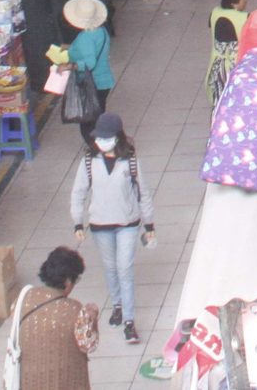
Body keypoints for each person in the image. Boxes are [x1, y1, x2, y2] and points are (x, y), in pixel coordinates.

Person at [69, 113, 155, 346]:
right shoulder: (88, 161)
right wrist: (78, 222)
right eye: (100, 137)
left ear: (117, 138)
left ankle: (129, 321)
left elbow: (143, 193)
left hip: (128, 223)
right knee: (110, 268)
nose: (102, 141)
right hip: (99, 224)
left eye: (107, 137)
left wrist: (149, 224)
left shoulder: (131, 161)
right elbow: (79, 192)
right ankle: (117, 305)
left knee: (124, 269)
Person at [11, 246, 98, 390]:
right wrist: (91, 319)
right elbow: (88, 344)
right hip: (65, 381)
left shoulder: (24, 298)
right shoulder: (75, 309)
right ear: (68, 281)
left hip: (28, 380)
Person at [60, 0, 115, 147]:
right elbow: (92, 49)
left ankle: (96, 149)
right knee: (98, 116)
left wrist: (68, 66)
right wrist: (69, 47)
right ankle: (103, 145)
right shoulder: (101, 31)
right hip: (104, 80)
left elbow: (89, 63)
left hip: (92, 83)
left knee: (88, 122)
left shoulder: (85, 37)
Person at [206, 0, 248, 106]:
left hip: (217, 67)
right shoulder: (244, 18)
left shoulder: (215, 13)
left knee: (219, 101)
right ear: (237, 1)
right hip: (235, 68)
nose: (245, 1)